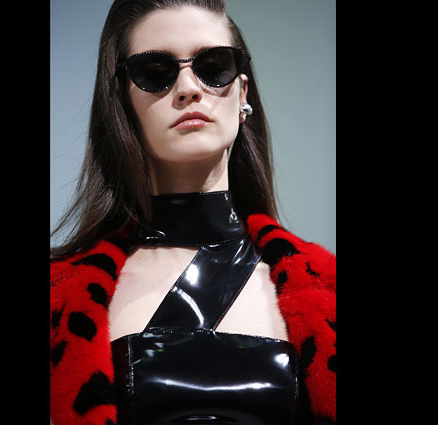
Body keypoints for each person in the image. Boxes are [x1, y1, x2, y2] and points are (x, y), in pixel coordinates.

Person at [50, 1, 336, 424]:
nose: (188, 88)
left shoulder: (327, 288)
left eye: (213, 66)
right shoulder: (60, 299)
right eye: (155, 73)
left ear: (242, 94)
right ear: (122, 103)